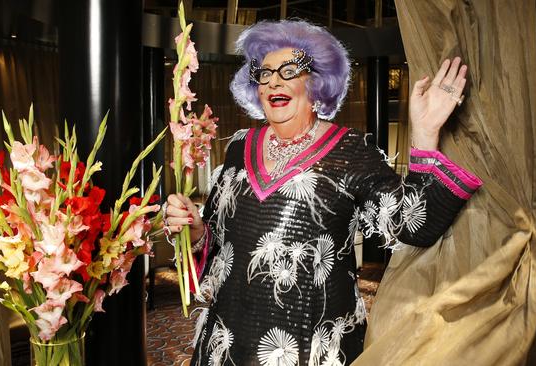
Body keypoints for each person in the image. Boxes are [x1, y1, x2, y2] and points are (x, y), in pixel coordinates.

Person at [164, 20, 482, 366]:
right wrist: (196, 229)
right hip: (230, 339)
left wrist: (425, 133)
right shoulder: (240, 146)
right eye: (265, 72)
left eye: (289, 71)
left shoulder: (351, 150)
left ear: (316, 83)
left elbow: (415, 224)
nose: (273, 81)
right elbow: (219, 239)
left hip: (309, 346)